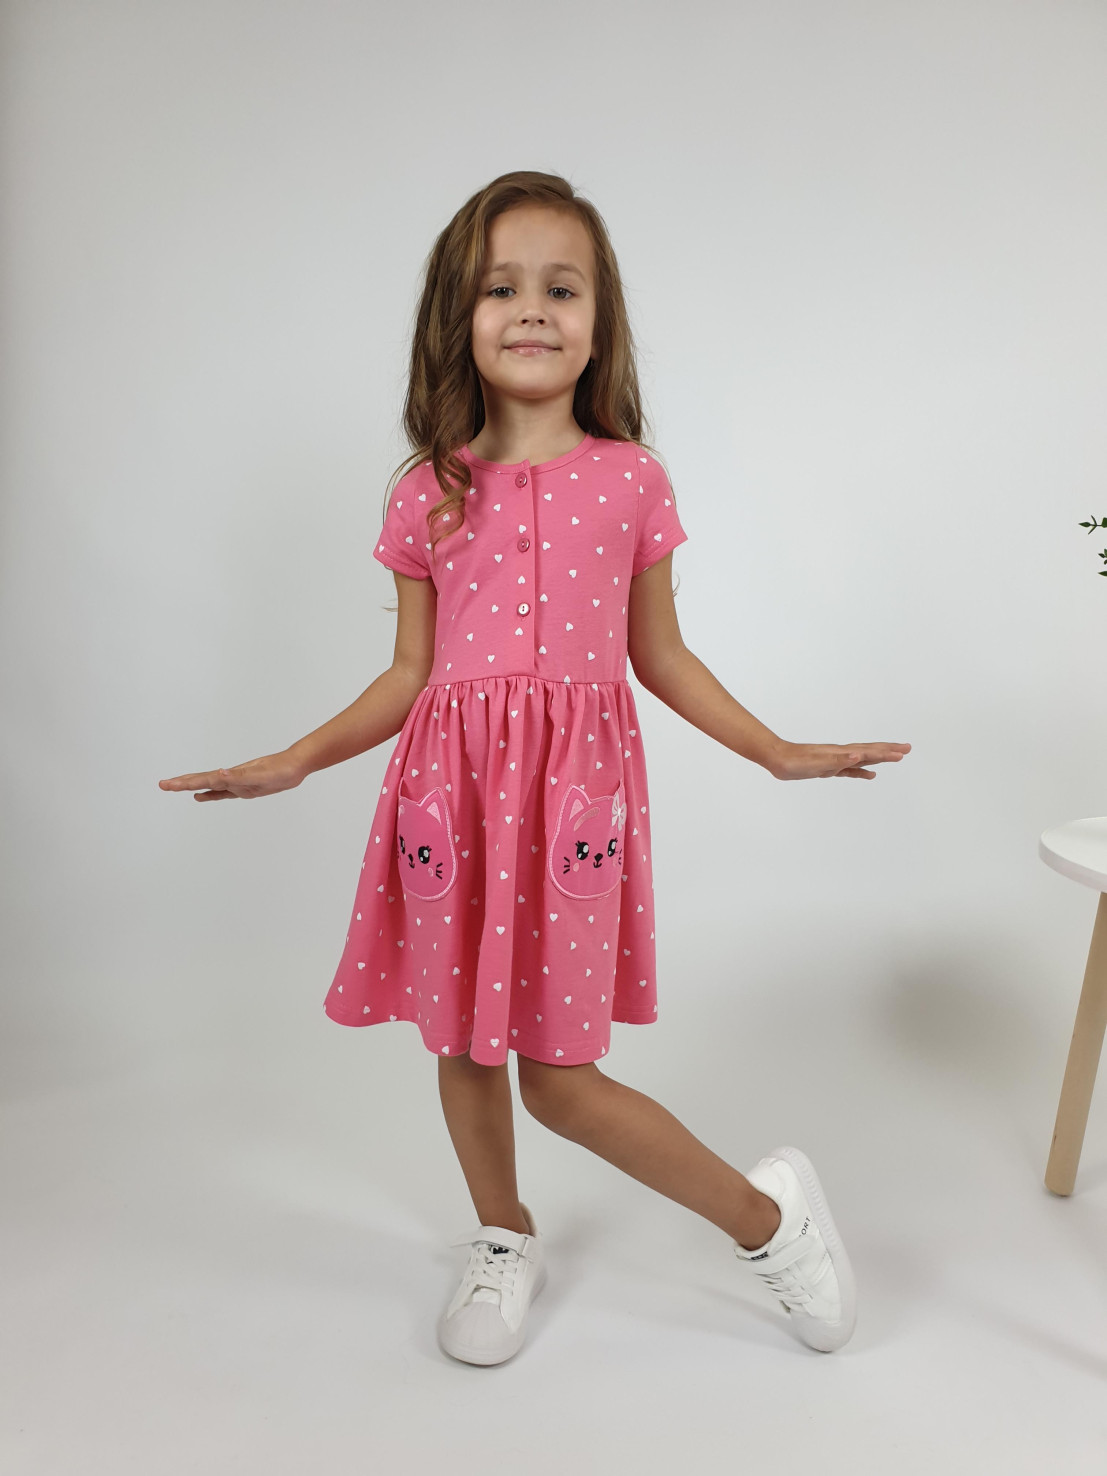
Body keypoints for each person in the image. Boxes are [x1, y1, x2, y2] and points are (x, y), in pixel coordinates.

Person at [159, 169, 911, 1368]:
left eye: (562, 289)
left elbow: (660, 655)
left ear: (599, 323)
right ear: (456, 316)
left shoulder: (632, 479)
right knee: (462, 1044)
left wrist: (772, 750)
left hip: (571, 811)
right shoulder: (427, 491)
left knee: (561, 1080)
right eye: (501, 288)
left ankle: (768, 1223)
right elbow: (410, 673)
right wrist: (298, 760)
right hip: (449, 801)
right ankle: (502, 1233)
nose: (531, 311)